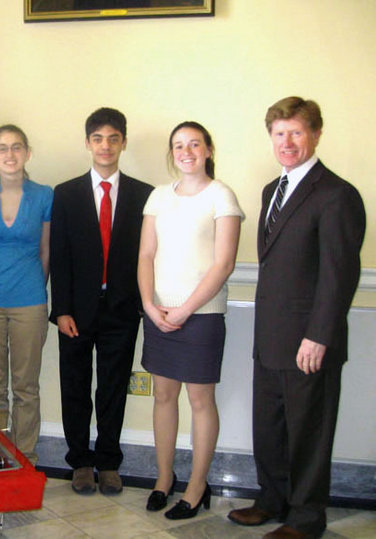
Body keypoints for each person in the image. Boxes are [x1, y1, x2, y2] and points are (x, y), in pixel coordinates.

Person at [227, 98, 365, 539]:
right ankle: (272, 499)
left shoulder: (337, 194)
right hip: (269, 339)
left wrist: (319, 336)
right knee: (269, 427)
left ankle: (305, 518)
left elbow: (339, 275)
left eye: (296, 133)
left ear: (316, 134)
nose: (286, 142)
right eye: (279, 134)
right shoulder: (272, 190)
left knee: (309, 433)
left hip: (309, 343)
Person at [138, 122, 243, 519]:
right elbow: (146, 255)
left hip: (201, 317)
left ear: (209, 149)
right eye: (179, 145)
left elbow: (224, 263)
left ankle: (197, 486)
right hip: (159, 314)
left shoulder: (222, 196)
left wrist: (185, 310)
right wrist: (150, 304)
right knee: (163, 396)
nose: (186, 151)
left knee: (200, 402)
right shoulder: (159, 197)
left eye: (194, 144)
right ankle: (164, 479)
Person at [50, 107, 153, 495]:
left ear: (123, 142)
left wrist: (143, 302)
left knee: (111, 387)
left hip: (123, 310)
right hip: (75, 311)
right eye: (98, 138)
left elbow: (149, 254)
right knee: (74, 386)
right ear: (88, 143)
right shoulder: (67, 193)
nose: (105, 146)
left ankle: (109, 461)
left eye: (113, 138)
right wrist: (61, 309)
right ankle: (79, 461)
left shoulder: (145, 195)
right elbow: (59, 256)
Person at [0, 125, 52, 463]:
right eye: (2, 148)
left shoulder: (44, 195)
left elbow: (46, 251)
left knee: (26, 387)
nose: (10, 154)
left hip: (29, 300)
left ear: (27, 153)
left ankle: (25, 456)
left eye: (17, 147)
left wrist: (36, 288)